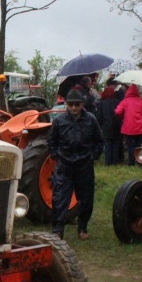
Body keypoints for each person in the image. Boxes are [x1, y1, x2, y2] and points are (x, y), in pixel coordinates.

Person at [47, 88, 103, 241]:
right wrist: (56, 156)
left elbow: (99, 141)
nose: (73, 108)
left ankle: (82, 227)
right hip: (64, 165)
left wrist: (93, 156)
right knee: (59, 198)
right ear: (66, 104)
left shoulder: (91, 119)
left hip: (84, 165)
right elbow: (51, 141)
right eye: (70, 104)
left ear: (82, 104)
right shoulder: (59, 121)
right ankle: (58, 229)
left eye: (76, 104)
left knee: (85, 199)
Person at [115, 83, 142, 165]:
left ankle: (131, 162)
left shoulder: (125, 101)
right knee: (139, 145)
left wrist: (122, 117)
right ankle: (140, 161)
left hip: (129, 126)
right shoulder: (141, 101)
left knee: (130, 145)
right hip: (140, 126)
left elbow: (117, 112)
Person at [97, 78, 123, 165]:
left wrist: (99, 126)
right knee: (116, 144)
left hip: (106, 126)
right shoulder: (117, 101)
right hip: (116, 126)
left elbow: (100, 116)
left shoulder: (102, 103)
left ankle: (108, 162)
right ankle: (115, 161)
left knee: (107, 145)